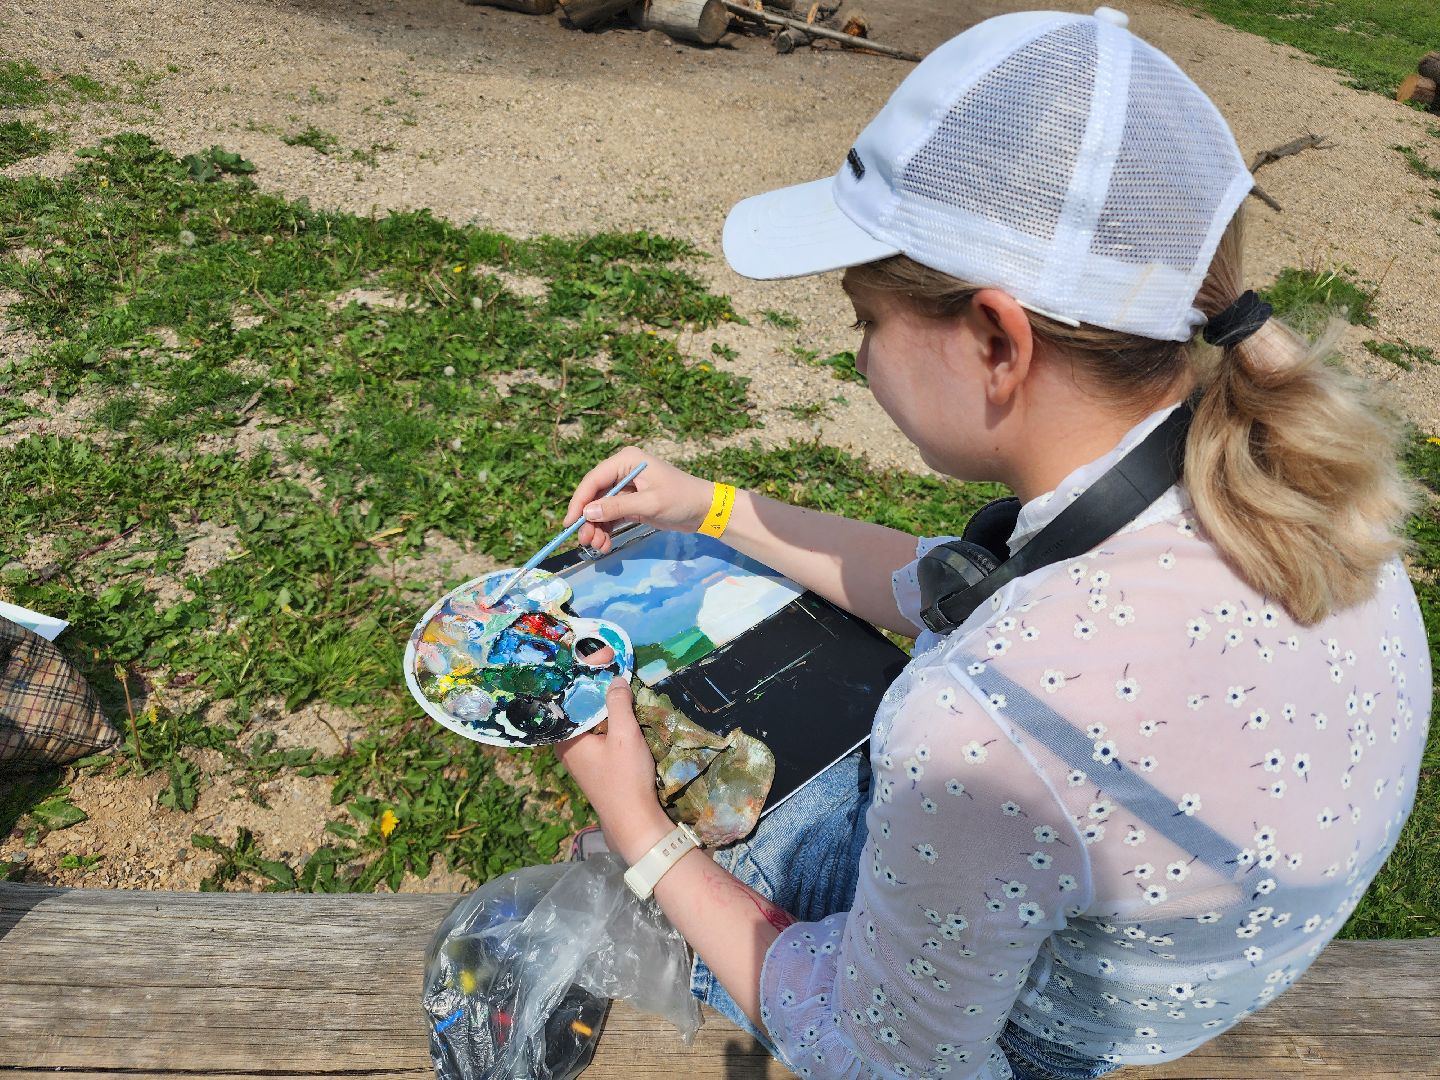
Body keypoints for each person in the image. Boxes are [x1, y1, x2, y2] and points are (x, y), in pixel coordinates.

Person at [553, 8, 1430, 1079]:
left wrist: (641, 832)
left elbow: (888, 1060)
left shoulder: (983, 728)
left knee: (612, 843)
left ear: (997, 340)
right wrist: (713, 510)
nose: (860, 356)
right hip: (1182, 971)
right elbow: (962, 587)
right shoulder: (1306, 499)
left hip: (1027, 1030)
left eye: (864, 320)